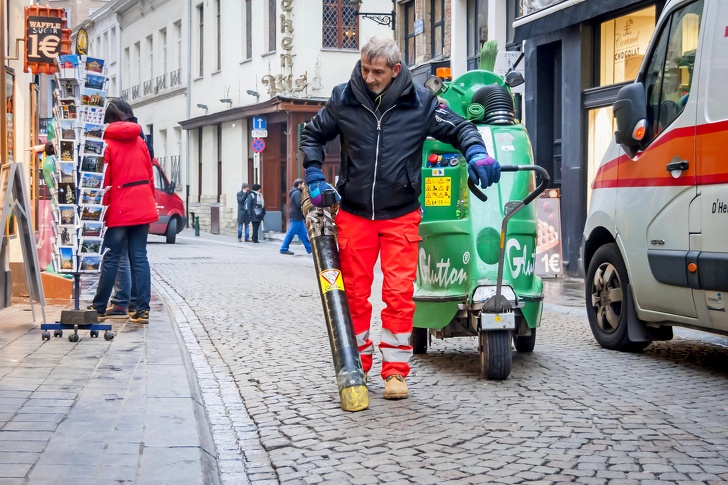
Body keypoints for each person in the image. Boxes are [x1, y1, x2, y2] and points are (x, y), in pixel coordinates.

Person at [300, 36, 501, 400]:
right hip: (355, 213)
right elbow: (312, 134)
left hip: (401, 215)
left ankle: (395, 372)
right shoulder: (343, 98)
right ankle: (356, 364)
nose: (369, 77)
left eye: (377, 72)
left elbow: (460, 127)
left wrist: (476, 153)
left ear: (395, 71)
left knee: (398, 295)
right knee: (355, 296)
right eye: (364, 68)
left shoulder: (421, 104)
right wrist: (314, 173)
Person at [89, 99, 158, 324]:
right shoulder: (140, 141)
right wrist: (149, 200)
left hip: (119, 206)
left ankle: (99, 307)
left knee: (111, 256)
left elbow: (105, 181)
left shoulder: (106, 143)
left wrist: (102, 212)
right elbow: (150, 176)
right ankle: (141, 310)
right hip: (143, 204)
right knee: (139, 257)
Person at [280, 179, 312, 255]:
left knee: (303, 234)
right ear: (299, 185)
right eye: (303, 184)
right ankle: (283, 248)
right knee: (291, 233)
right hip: (296, 216)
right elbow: (299, 204)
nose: (304, 186)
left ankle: (309, 249)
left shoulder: (296, 192)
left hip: (298, 216)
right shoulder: (297, 193)